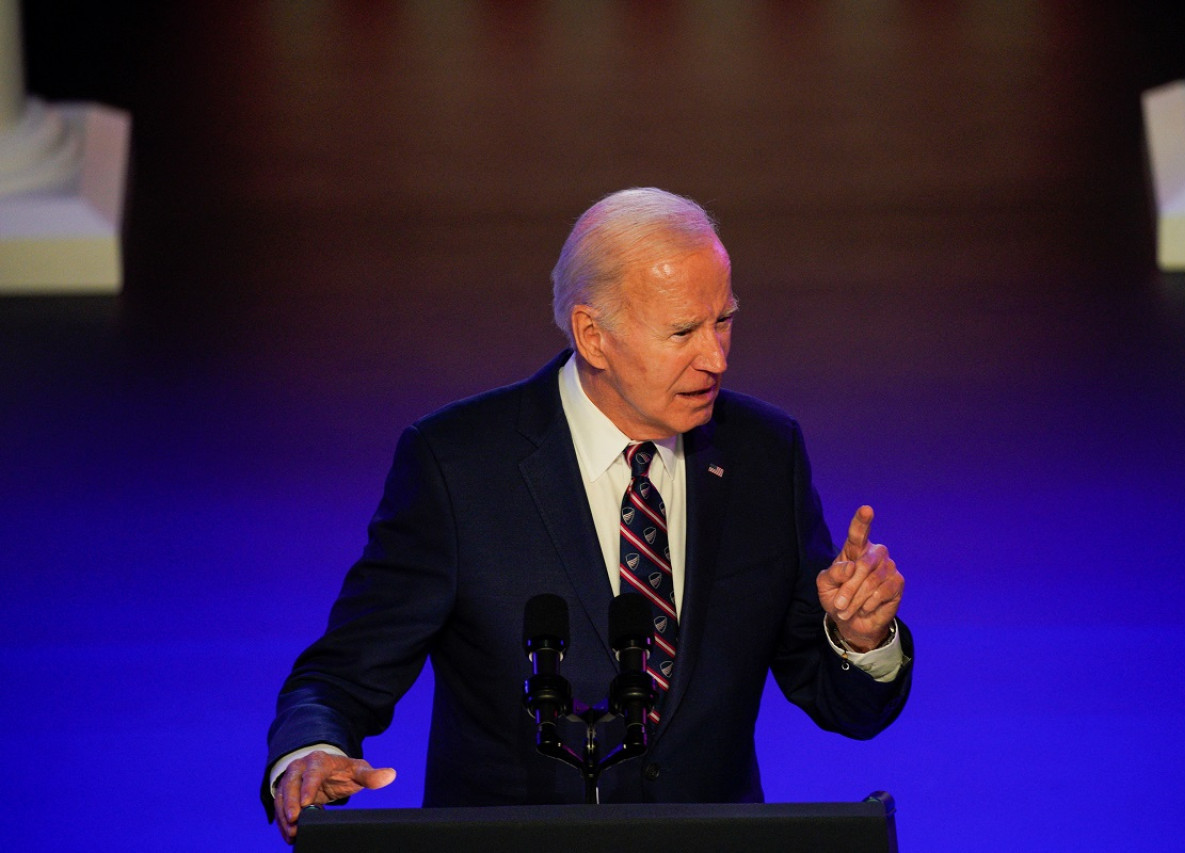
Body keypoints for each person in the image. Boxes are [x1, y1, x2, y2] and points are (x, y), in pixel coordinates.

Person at [264, 188, 912, 844]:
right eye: (684, 331)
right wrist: (310, 751)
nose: (716, 357)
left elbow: (844, 703)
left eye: (724, 320)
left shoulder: (765, 456)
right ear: (592, 335)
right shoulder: (457, 466)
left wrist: (861, 641)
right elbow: (342, 674)